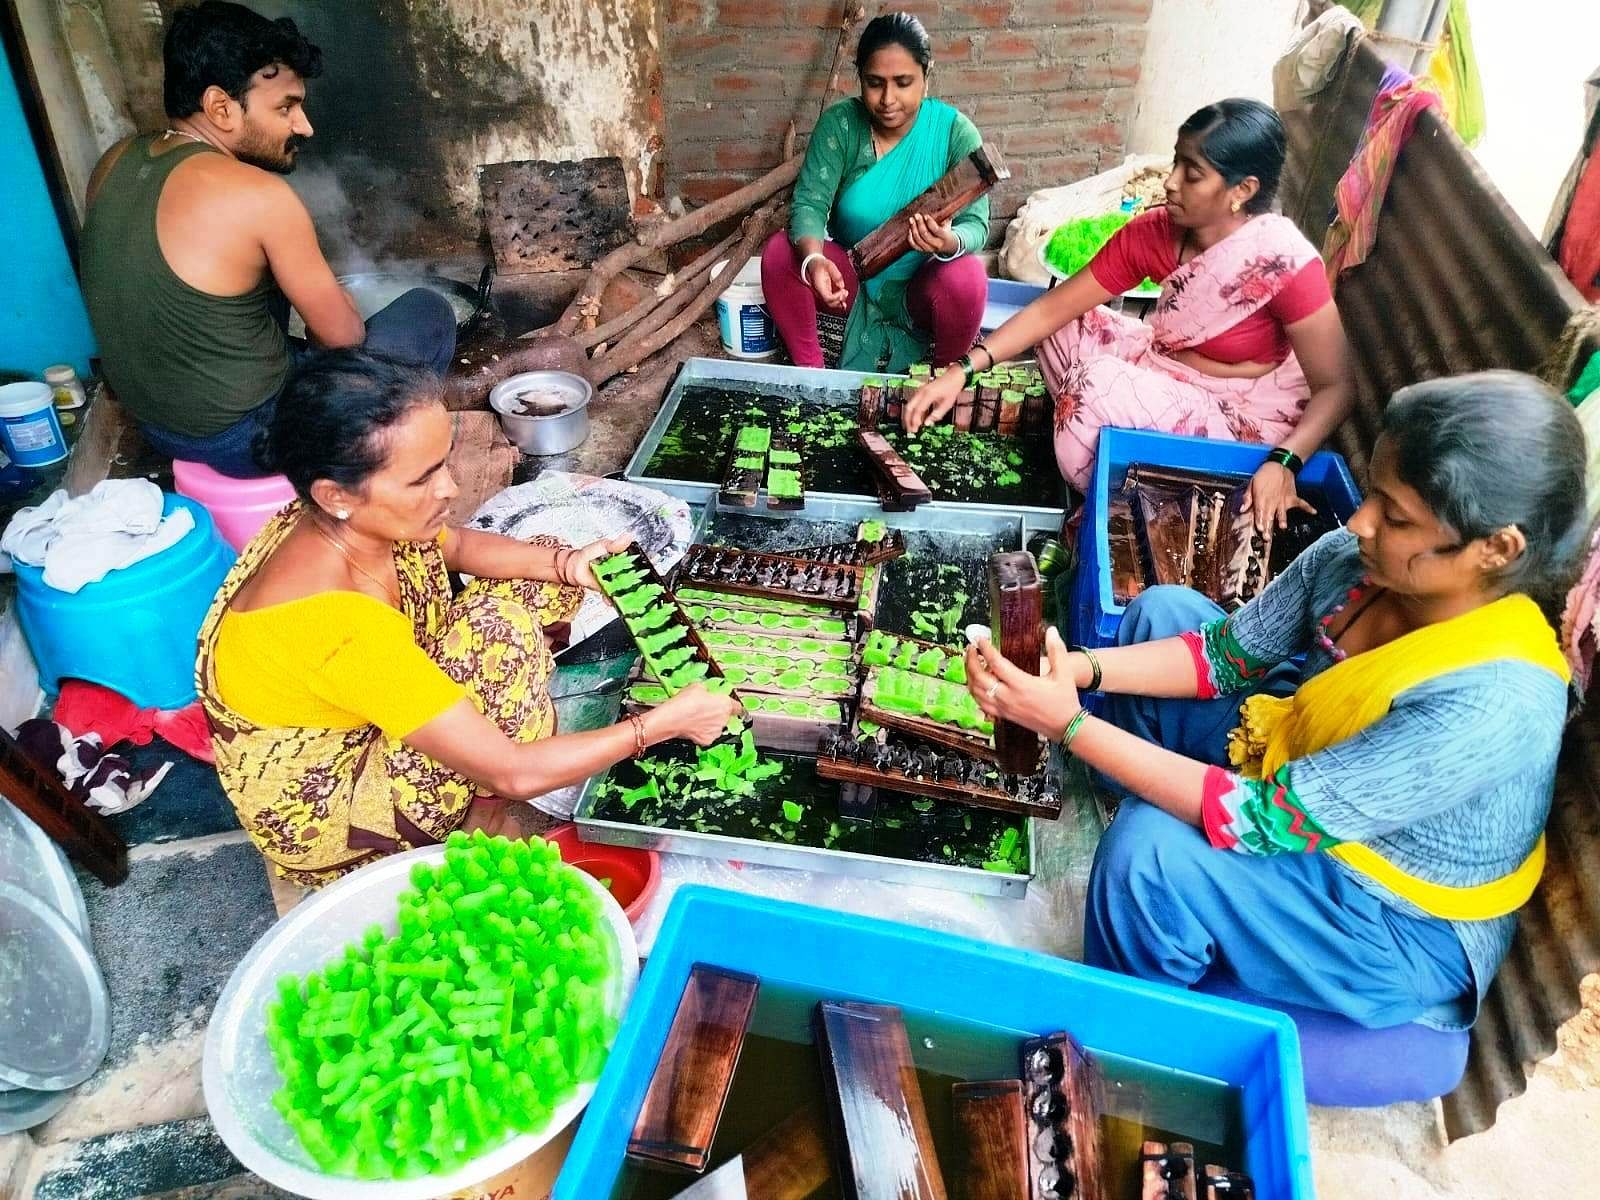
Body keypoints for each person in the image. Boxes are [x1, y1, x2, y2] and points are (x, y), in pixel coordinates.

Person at [964, 371, 1583, 1032]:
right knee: (1162, 613)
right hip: (1306, 763)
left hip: (1388, 915)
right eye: (1373, 493)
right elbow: (1225, 655)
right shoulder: (1353, 562)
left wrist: (1068, 724)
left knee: (1147, 853)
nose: (1363, 522)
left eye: (1396, 517)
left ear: (1497, 548)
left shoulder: (1492, 705)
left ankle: (1133, 1032)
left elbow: (1268, 819)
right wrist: (1082, 670)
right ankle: (1152, 842)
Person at [196, 351, 740, 885]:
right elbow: (514, 769)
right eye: (422, 479)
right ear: (334, 494)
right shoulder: (333, 626)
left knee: (531, 577)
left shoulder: (354, 520)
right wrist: (659, 724)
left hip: (370, 692)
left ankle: (475, 769)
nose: (451, 489)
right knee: (499, 635)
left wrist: (569, 564)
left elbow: (451, 546)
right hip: (334, 806)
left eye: (444, 463)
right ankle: (478, 818)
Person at [905, 99, 1351, 532]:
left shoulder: (1281, 261)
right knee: (1064, 330)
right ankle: (1113, 460)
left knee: (1093, 387)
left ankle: (1117, 502)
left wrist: (1284, 462)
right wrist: (962, 370)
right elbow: (1053, 310)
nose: (1171, 183)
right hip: (1164, 369)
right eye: (1176, 163)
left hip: (1241, 413)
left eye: (1191, 174)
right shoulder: (1155, 232)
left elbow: (1336, 387)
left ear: (1243, 190)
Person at [80, 1, 455, 478]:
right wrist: (333, 327)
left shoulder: (113, 163)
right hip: (249, 440)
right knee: (427, 312)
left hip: (158, 427)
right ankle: (378, 457)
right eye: (286, 107)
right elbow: (343, 339)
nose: (304, 126)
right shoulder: (258, 195)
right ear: (220, 107)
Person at [759, 12, 990, 373]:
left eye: (903, 82)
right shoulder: (841, 126)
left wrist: (947, 242)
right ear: (861, 80)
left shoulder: (953, 133)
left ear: (926, 78)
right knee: (779, 254)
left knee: (967, 277)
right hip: (851, 280)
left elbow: (977, 227)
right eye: (875, 83)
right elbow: (809, 204)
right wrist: (815, 260)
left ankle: (946, 379)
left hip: (921, 287)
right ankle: (810, 375)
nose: (887, 99)